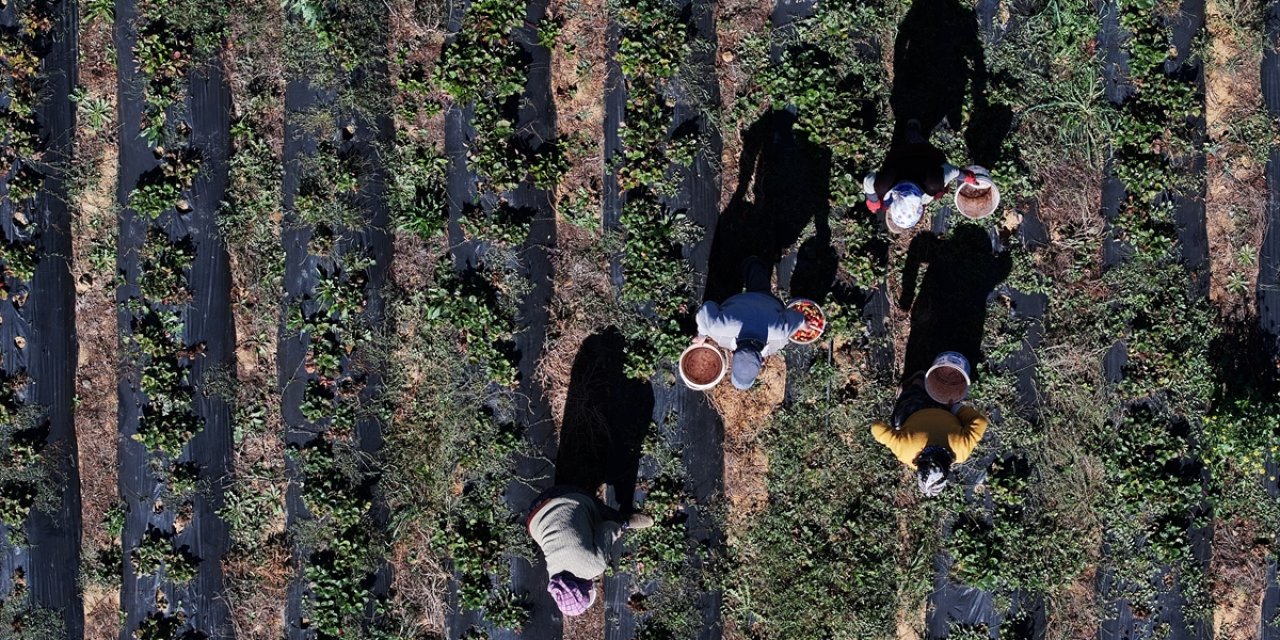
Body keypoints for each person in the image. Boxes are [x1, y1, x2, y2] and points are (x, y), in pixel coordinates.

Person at [527, 486, 654, 617]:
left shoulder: (594, 567)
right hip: (534, 514)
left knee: (604, 520)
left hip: (567, 494)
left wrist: (616, 530)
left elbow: (607, 528)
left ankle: (625, 521)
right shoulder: (554, 577)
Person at [694, 256, 807, 390]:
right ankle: (749, 261)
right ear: (732, 355)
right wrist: (702, 335)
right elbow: (708, 306)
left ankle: (753, 262)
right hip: (737, 301)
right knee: (742, 277)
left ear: (763, 361)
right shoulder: (717, 328)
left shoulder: (780, 335)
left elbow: (797, 317)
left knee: (758, 281)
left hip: (765, 300)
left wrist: (803, 324)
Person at [870, 372, 988, 496]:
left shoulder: (961, 450)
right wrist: (898, 432)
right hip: (915, 408)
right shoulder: (905, 450)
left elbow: (980, 422)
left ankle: (924, 383)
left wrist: (955, 408)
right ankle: (913, 386)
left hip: (943, 406)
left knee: (932, 387)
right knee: (898, 422)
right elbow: (876, 427)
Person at [862, 120, 982, 233]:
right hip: (900, 158)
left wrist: (965, 176)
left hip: (922, 153)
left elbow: (953, 171)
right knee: (902, 146)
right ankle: (910, 133)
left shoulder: (933, 184)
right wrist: (873, 200)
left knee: (914, 142)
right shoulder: (884, 185)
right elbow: (868, 182)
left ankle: (912, 132)